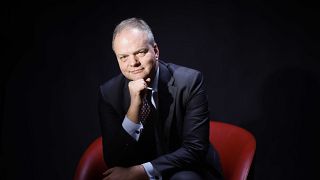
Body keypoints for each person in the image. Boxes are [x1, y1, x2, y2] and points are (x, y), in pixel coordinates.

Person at [98, 17, 223, 180]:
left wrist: (143, 171)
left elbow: (195, 149)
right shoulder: (108, 93)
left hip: (187, 168)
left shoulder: (190, 81)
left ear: (155, 51)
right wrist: (134, 108)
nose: (133, 63)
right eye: (124, 57)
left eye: (140, 52)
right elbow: (114, 160)